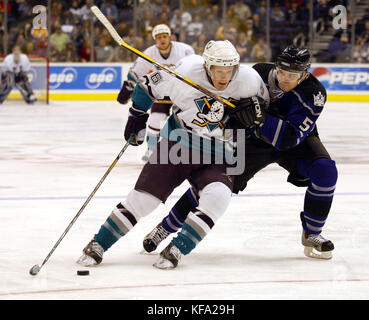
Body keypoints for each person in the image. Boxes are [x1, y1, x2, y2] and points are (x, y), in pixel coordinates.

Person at [77, 40, 270, 269]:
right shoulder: (185, 70)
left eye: (229, 71)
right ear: (208, 66)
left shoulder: (248, 80)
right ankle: (99, 243)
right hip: (179, 142)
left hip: (220, 152)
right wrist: (137, 115)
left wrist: (255, 117)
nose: (224, 77)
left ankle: (177, 248)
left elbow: (264, 109)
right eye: (219, 70)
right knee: (144, 201)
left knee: (218, 197)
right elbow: (146, 86)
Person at [143, 45, 338, 261]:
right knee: (214, 184)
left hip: (295, 141)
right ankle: (166, 227)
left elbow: (288, 138)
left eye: (292, 75)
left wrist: (261, 118)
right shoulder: (258, 73)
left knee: (325, 171)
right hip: (253, 141)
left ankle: (312, 233)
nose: (284, 79)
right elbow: (227, 107)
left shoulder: (314, 93)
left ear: (304, 74)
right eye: (281, 72)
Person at [117, 24, 195, 160]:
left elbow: (194, 69)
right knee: (154, 120)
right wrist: (128, 85)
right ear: (155, 39)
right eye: (159, 37)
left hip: (181, 94)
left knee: (186, 123)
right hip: (162, 93)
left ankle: (189, 151)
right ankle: (151, 149)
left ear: (170, 37)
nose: (162, 39)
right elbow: (136, 72)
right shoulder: (149, 53)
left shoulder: (185, 50)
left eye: (165, 36)